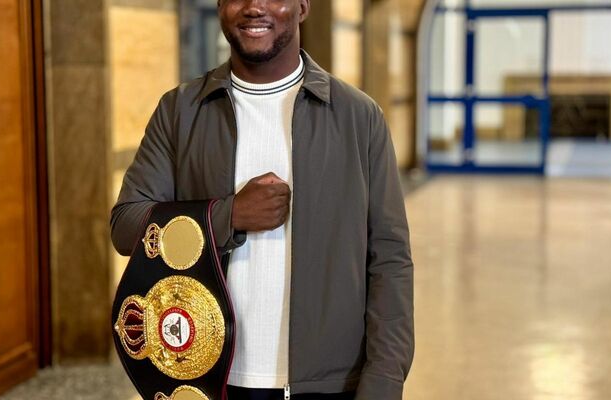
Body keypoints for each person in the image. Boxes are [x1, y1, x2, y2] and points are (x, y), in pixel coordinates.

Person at [110, 0, 414, 399]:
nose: (254, 7)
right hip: (207, 378)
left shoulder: (358, 117)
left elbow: (390, 260)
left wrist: (384, 383)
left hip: (331, 384)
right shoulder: (180, 112)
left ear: (303, 6)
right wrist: (228, 215)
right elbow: (126, 227)